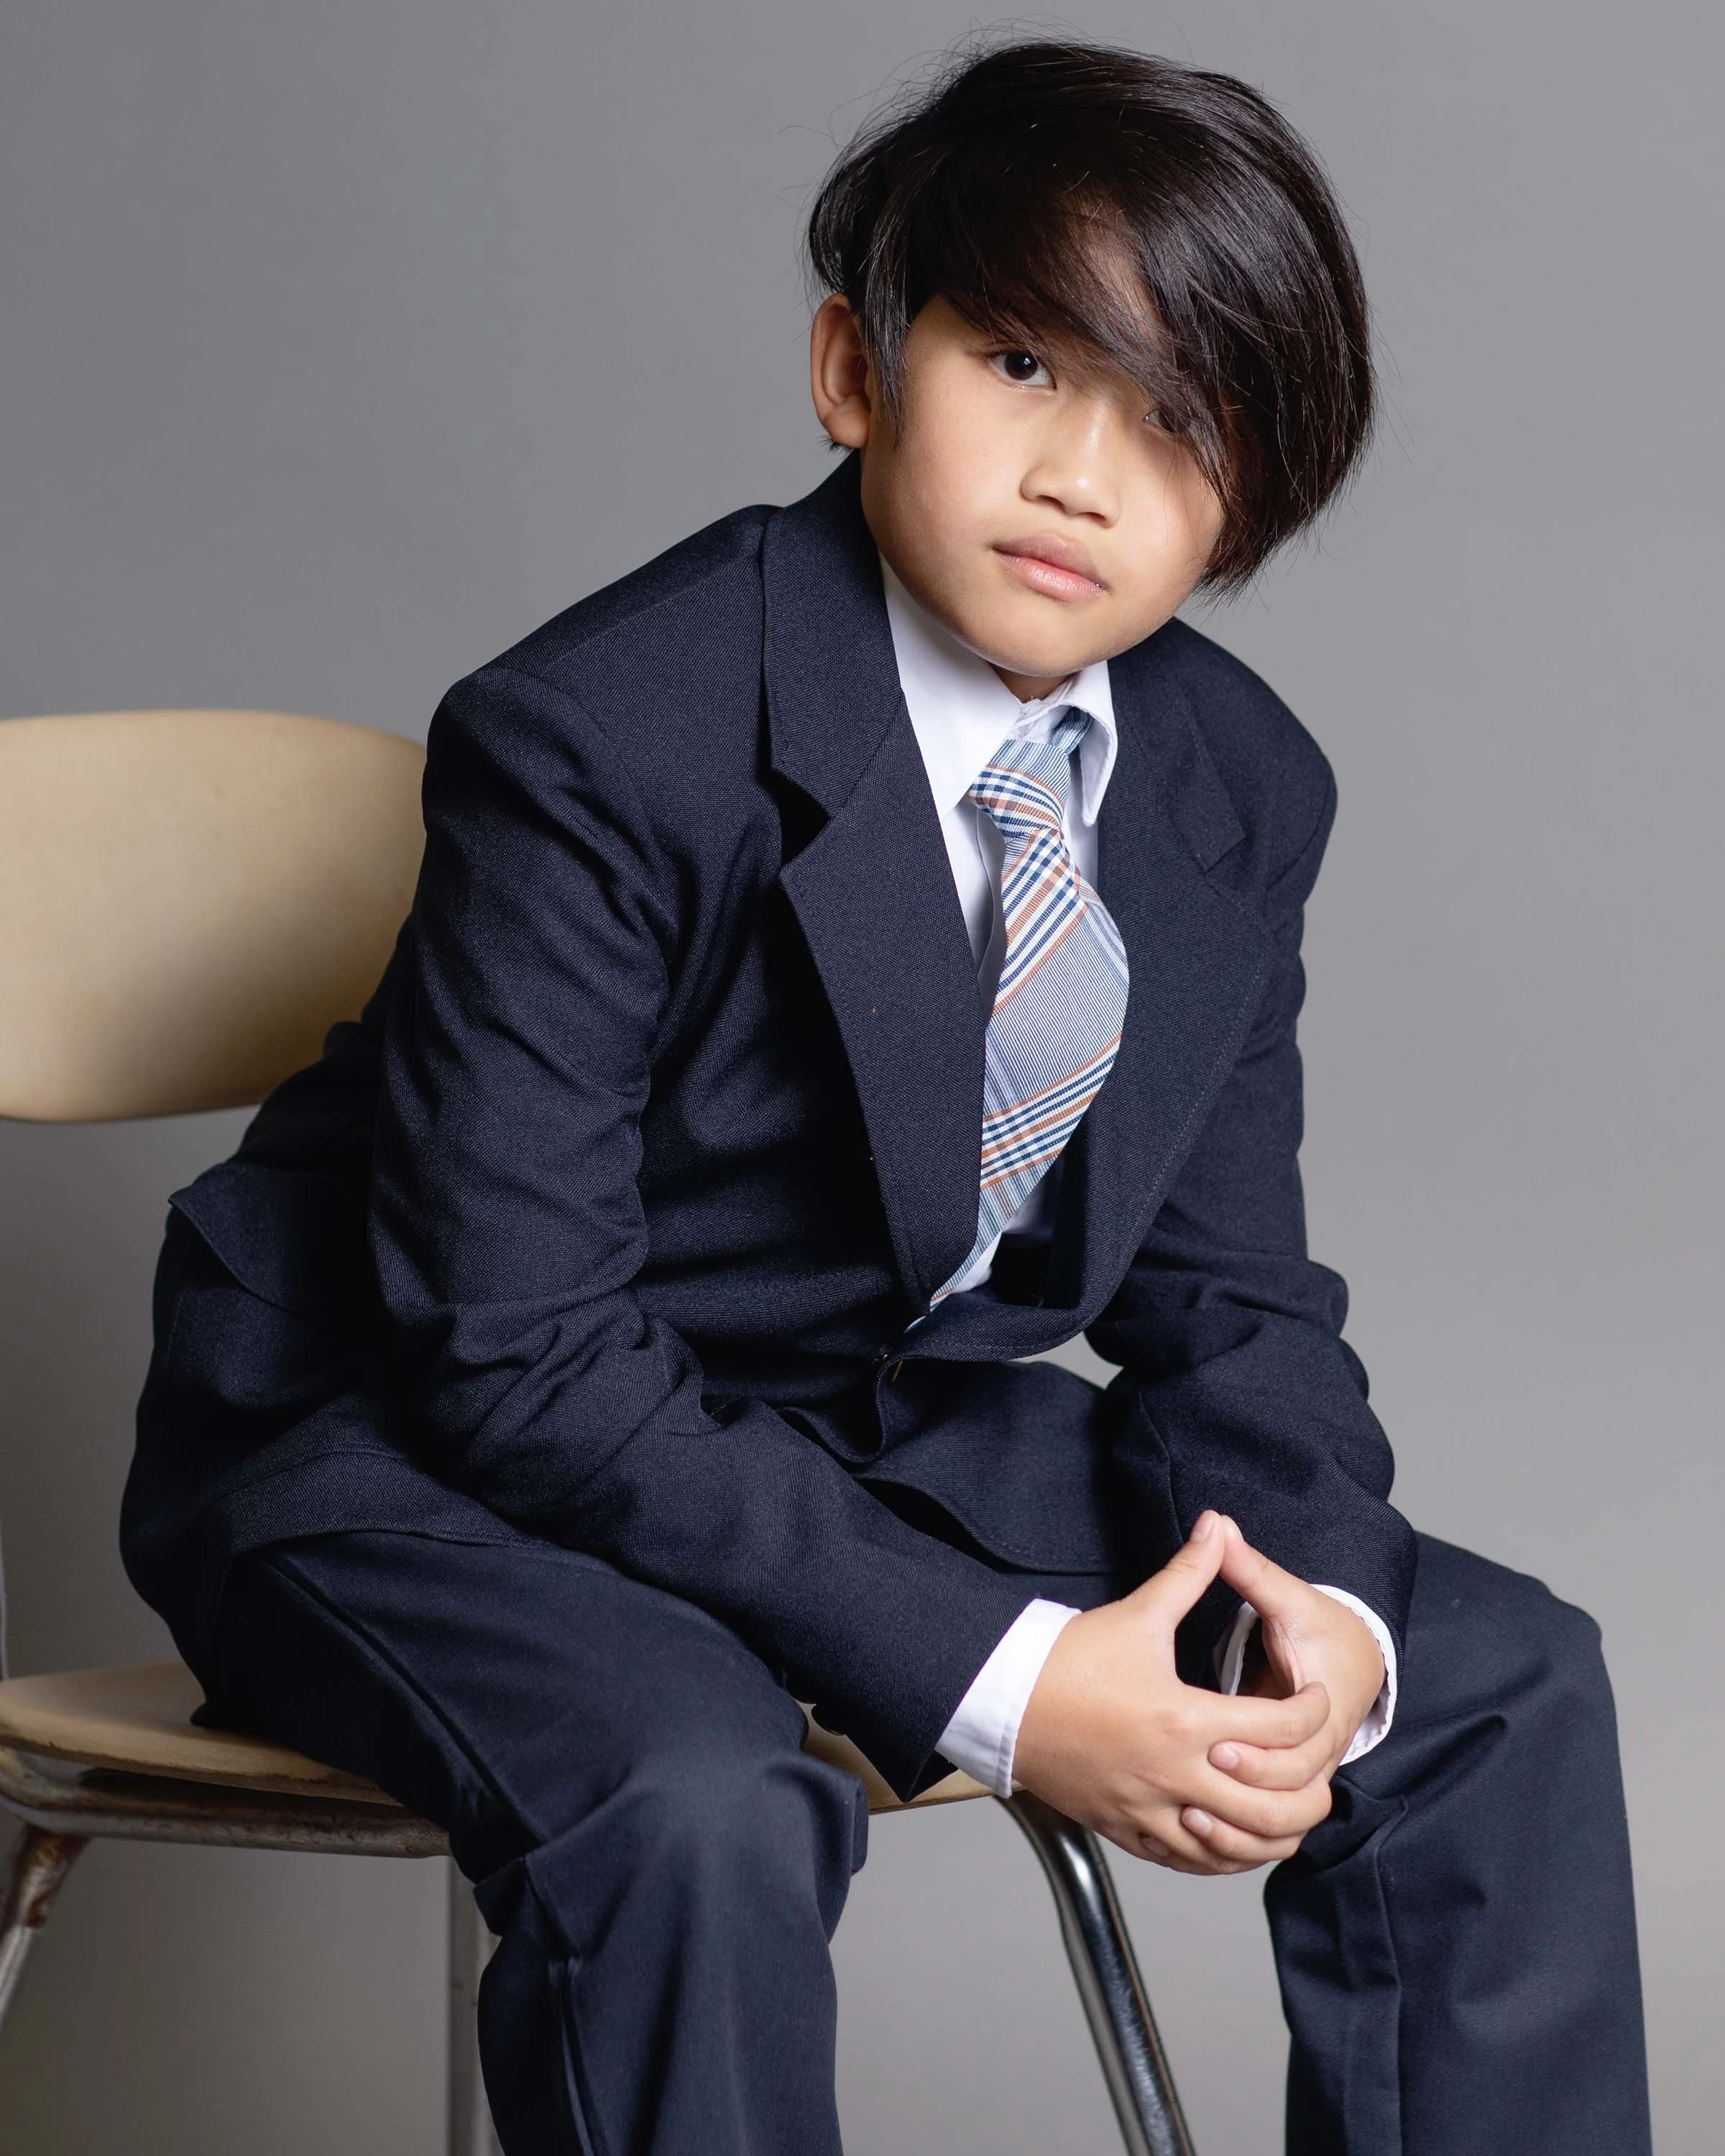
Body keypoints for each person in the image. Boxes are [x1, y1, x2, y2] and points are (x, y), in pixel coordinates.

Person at [121, 37, 1650, 2156]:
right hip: (401, 1437)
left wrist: (1318, 1617)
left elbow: (1235, 1305)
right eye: (1025, 362)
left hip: (832, 1408)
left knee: (1491, 1675)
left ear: (1262, 491)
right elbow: (521, 1351)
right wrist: (1020, 1681)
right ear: (856, 365)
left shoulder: (1230, 783)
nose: (1085, 479)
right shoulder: (603, 732)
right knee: (695, 1797)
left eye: (1185, 421)